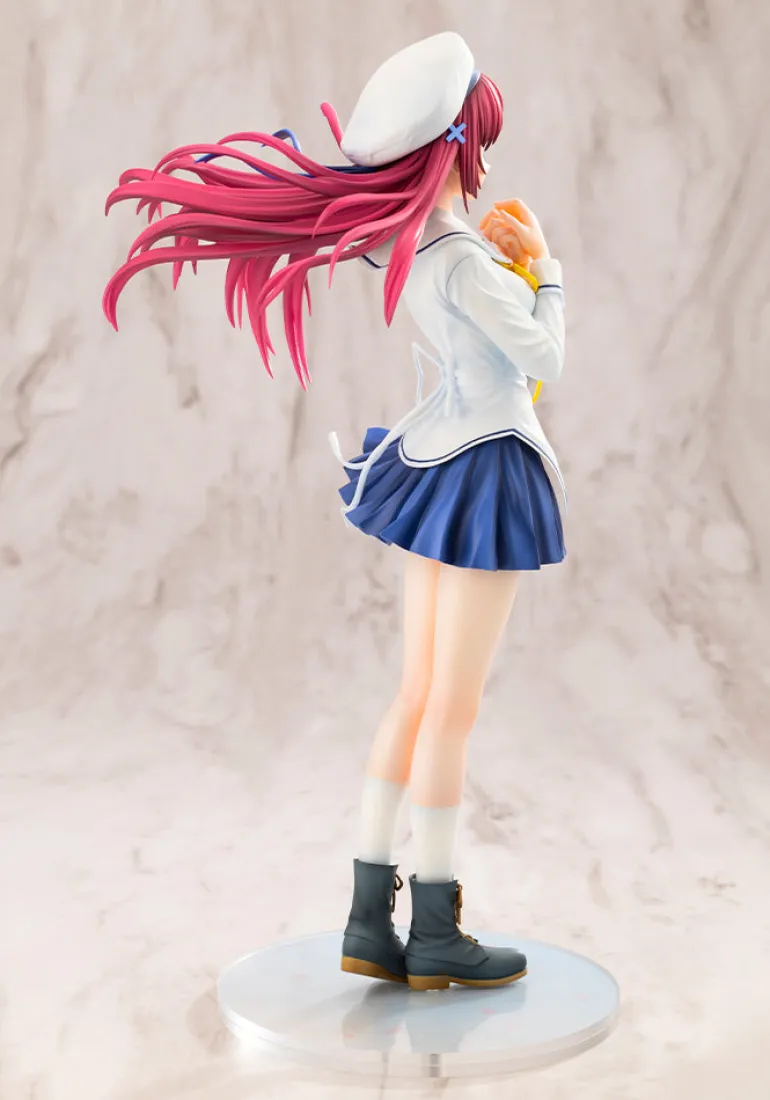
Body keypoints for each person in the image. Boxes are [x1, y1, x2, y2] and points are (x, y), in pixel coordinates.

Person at [103, 31, 566, 992]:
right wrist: (547, 269)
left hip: (435, 464)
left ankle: (366, 919)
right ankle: (432, 928)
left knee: (413, 695)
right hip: (486, 471)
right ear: (457, 149)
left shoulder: (415, 249)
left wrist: (508, 270)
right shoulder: (466, 259)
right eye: (479, 143)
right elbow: (544, 359)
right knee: (453, 709)